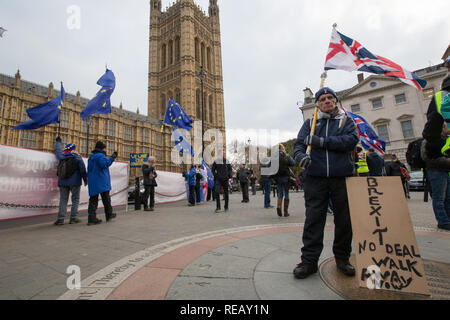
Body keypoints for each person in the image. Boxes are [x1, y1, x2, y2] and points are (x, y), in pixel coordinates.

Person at [293, 87, 359, 279]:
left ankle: (342, 258)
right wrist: (299, 157)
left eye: (330, 98)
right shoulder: (310, 123)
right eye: (322, 99)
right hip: (316, 178)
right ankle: (309, 261)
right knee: (314, 220)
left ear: (336, 101)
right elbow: (299, 145)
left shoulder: (347, 121)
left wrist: (322, 141)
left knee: (344, 220)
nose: (327, 101)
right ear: (318, 104)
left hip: (341, 177)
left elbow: (350, 141)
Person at [422, 74, 450, 230]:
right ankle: (443, 220)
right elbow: (429, 157)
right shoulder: (431, 140)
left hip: (444, 169)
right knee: (439, 198)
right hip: (437, 169)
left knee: (447, 197)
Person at [53, 137, 87, 226]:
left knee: (63, 200)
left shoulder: (62, 156)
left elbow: (57, 152)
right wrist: (85, 180)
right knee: (75, 199)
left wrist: (58, 142)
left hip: (62, 181)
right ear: (74, 149)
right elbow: (83, 170)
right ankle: (73, 218)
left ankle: (60, 219)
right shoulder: (77, 157)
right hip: (75, 182)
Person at [87, 141, 117, 226]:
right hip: (101, 180)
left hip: (93, 181)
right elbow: (104, 164)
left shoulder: (91, 157)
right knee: (106, 199)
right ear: (102, 148)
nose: (106, 150)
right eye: (105, 148)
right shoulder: (101, 156)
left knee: (93, 200)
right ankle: (109, 215)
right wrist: (112, 158)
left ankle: (91, 218)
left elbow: (88, 170)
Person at [272, 144, 295, 217]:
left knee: (280, 193)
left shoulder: (274, 157)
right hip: (286, 178)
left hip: (278, 178)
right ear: (283, 148)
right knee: (286, 194)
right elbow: (293, 163)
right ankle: (285, 212)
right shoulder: (286, 156)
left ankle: (279, 207)